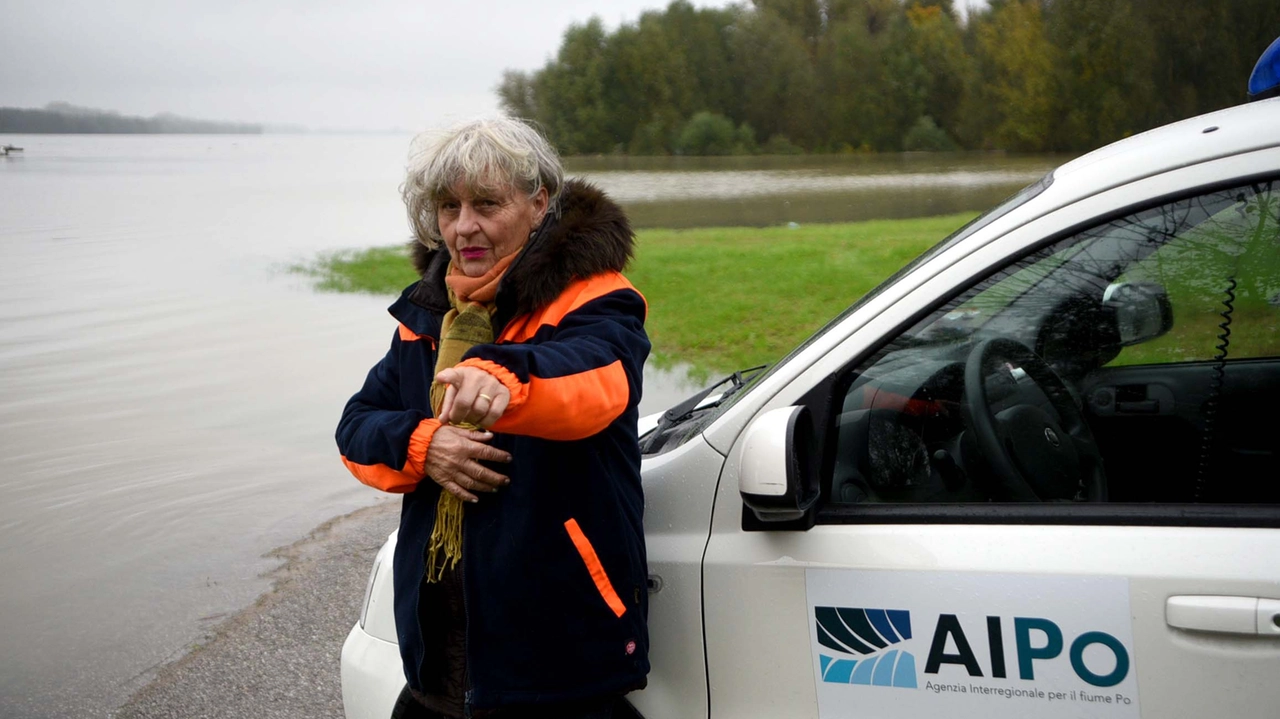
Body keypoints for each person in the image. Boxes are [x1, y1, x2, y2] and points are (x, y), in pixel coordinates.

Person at [336, 117, 650, 719]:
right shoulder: (427, 316)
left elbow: (598, 380)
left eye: (486, 204)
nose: (464, 227)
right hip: (439, 667)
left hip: (560, 669)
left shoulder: (598, 298)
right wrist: (425, 444)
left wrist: (502, 378)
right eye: (448, 207)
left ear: (539, 203)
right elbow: (357, 427)